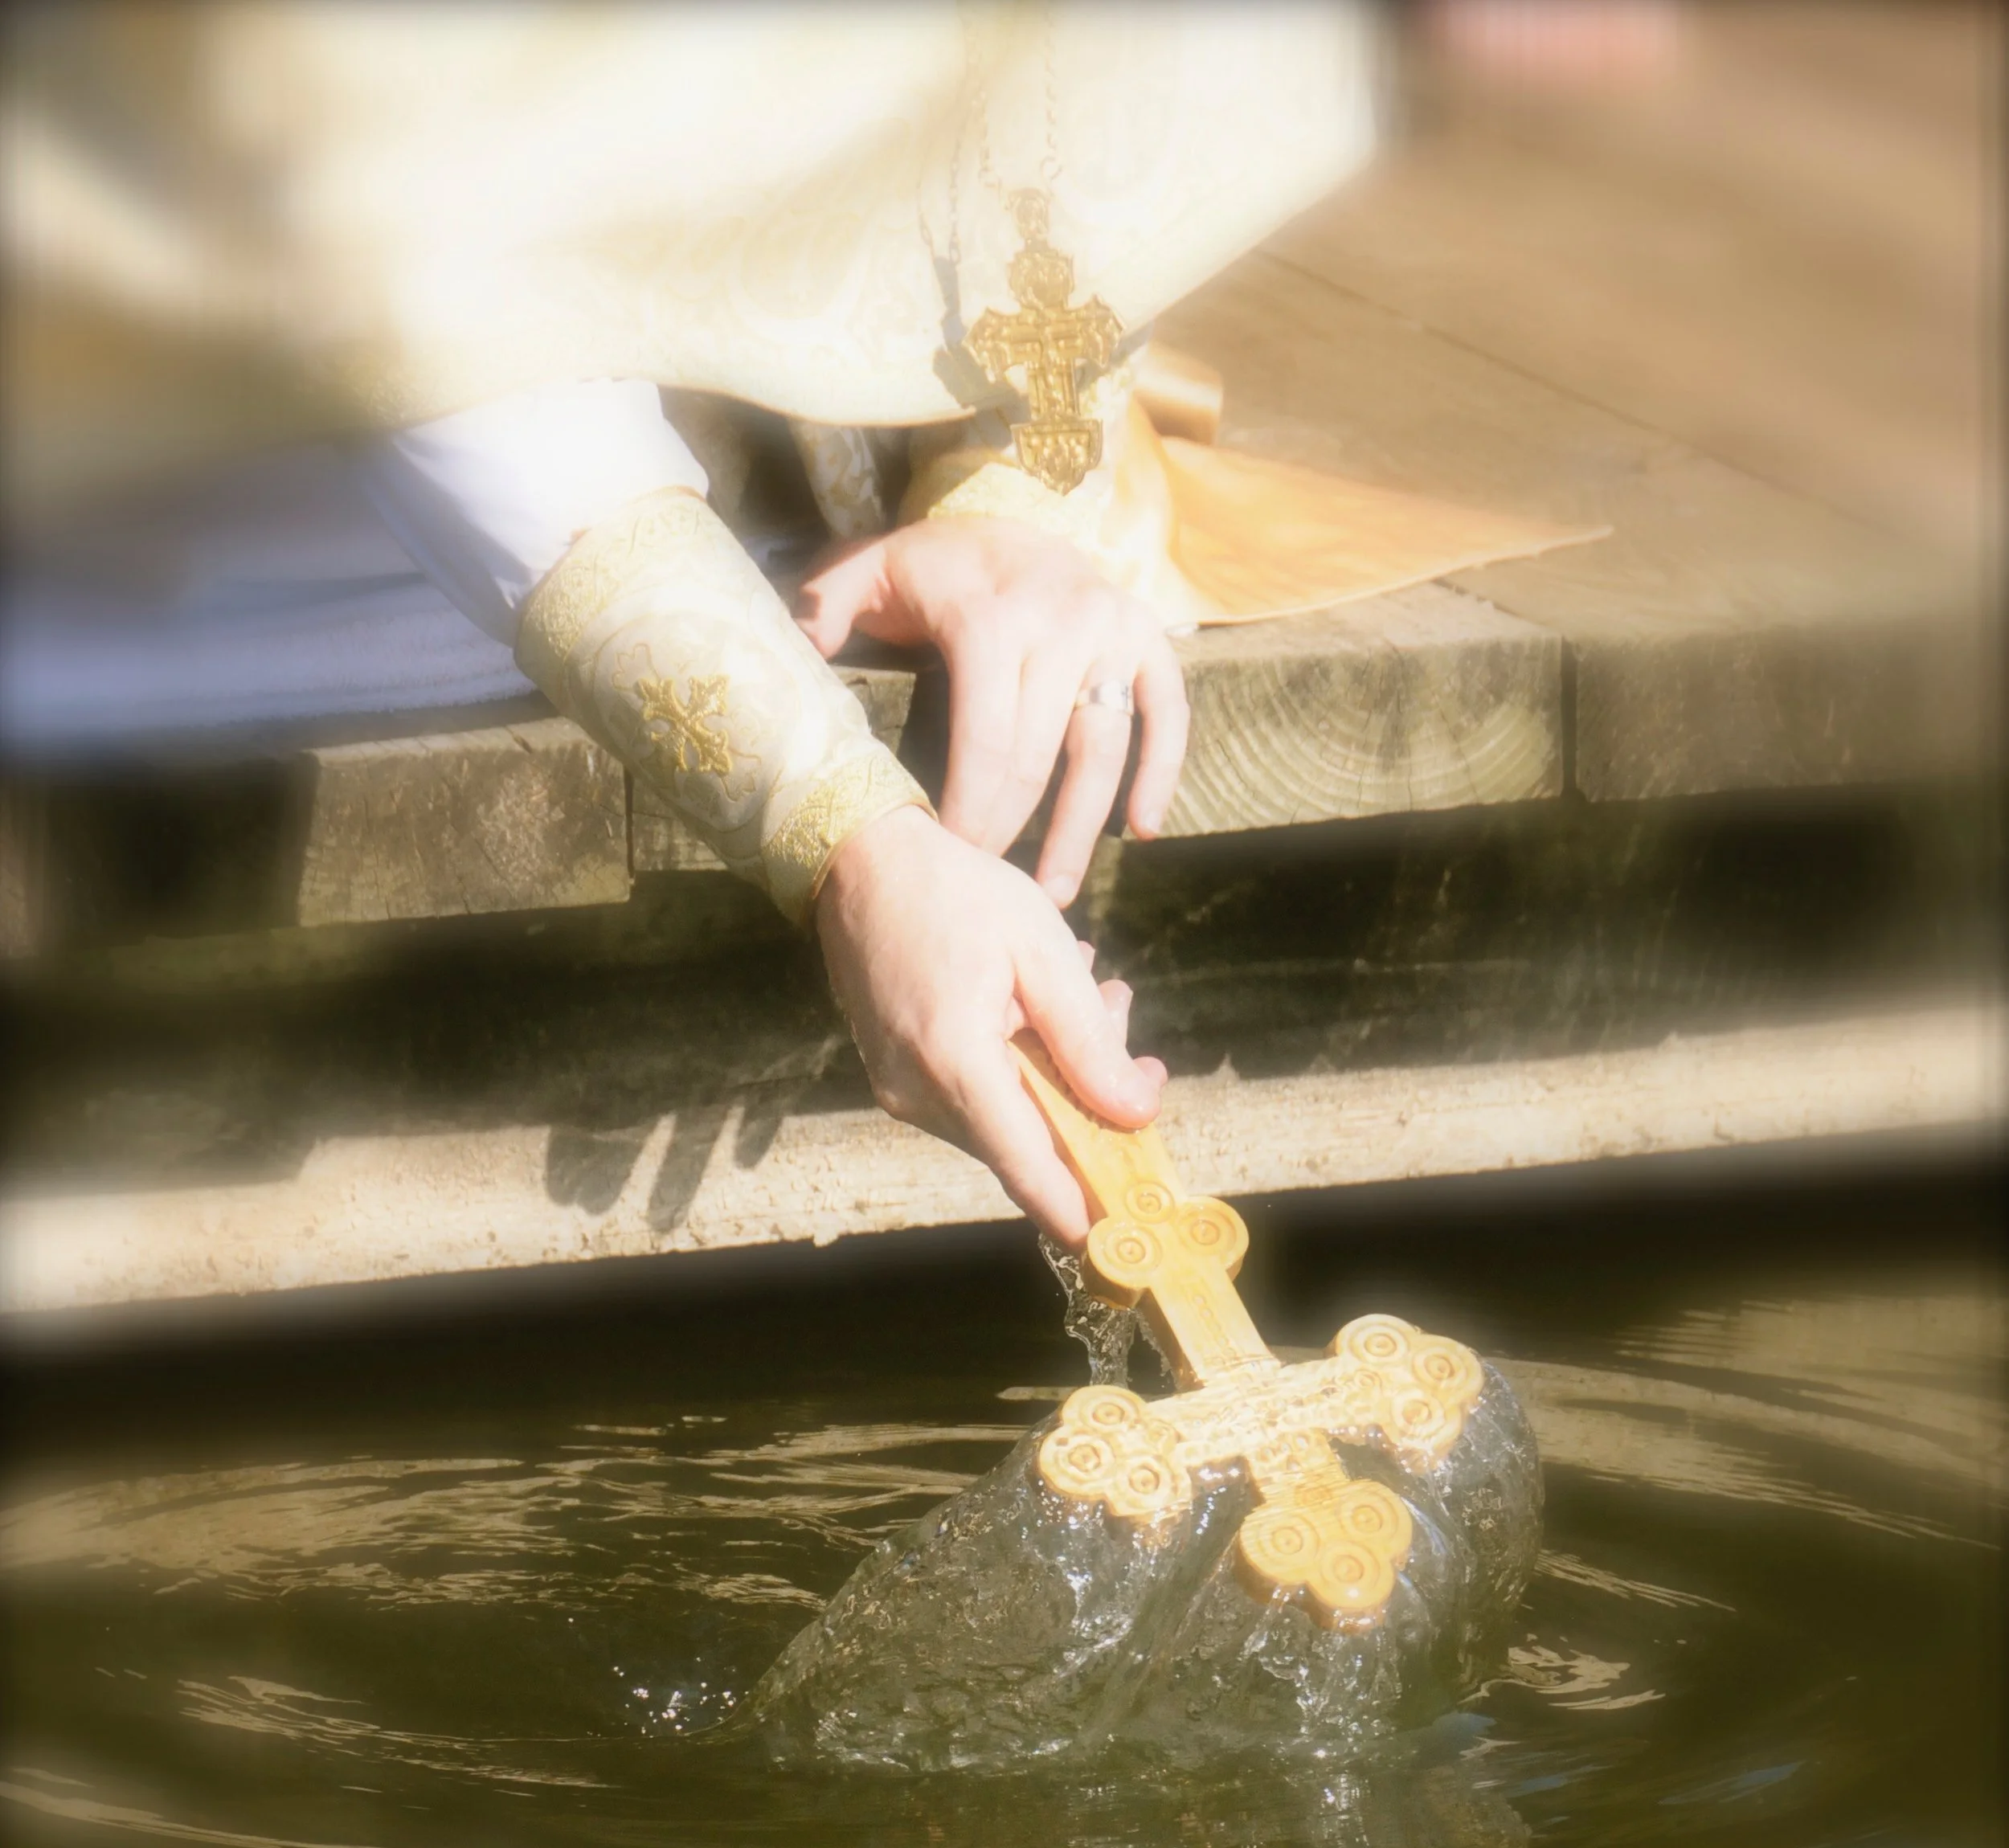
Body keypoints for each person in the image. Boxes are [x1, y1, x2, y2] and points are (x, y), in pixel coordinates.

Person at [6, 2, 1624, 1245]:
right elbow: (395, 267)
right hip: (199, 514)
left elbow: (1029, 119)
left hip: (754, 475)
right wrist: (855, 841)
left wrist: (1009, 498)